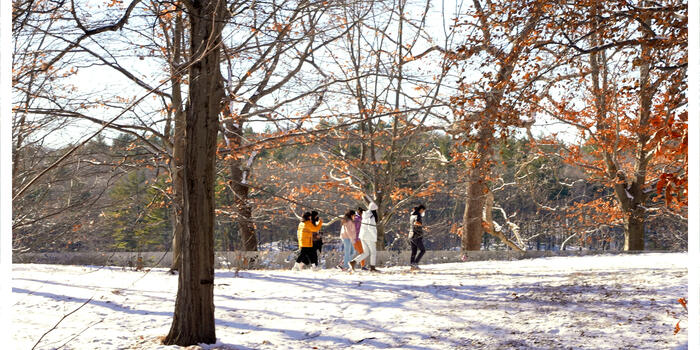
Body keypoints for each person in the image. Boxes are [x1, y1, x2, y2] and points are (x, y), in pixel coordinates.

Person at [349, 202, 379, 272]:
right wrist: (375, 237)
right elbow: (371, 228)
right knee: (373, 252)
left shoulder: (365, 215)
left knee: (366, 253)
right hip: (369, 237)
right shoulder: (371, 217)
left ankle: (353, 262)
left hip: (362, 236)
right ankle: (372, 267)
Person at [409, 204, 426, 270]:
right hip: (416, 236)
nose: (423, 212)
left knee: (414, 251)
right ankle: (415, 263)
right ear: (421, 209)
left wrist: (422, 226)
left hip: (411, 235)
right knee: (423, 250)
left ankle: (412, 265)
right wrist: (421, 225)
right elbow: (416, 223)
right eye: (423, 211)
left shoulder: (412, 215)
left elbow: (414, 224)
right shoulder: (418, 214)